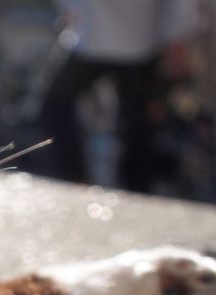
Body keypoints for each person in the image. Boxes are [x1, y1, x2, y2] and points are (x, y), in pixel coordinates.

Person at [39, 0, 201, 191]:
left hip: (137, 41)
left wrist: (175, 38)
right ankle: (76, 181)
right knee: (54, 106)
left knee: (138, 126)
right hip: (93, 37)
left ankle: (133, 192)